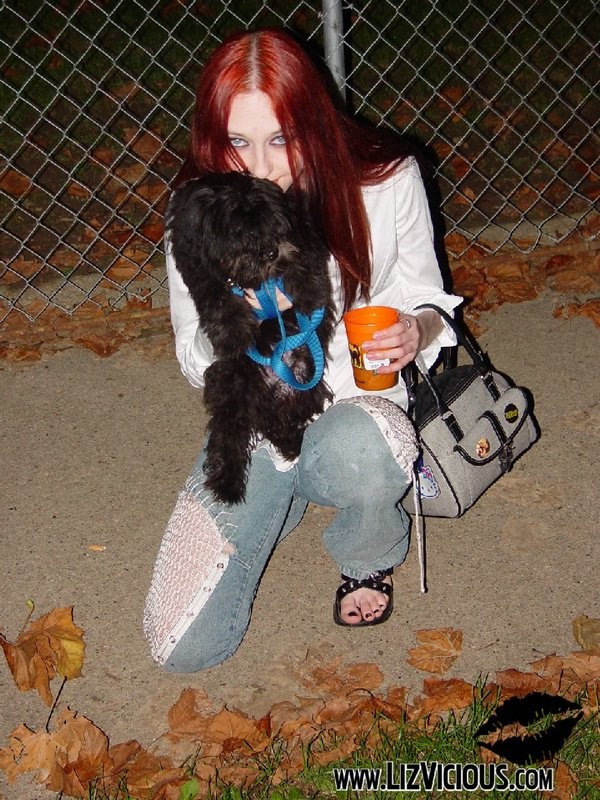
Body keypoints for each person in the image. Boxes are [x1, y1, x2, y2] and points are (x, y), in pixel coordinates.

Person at [143, 27, 462, 672]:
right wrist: (245, 326)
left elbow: (431, 299)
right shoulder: (199, 210)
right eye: (238, 142)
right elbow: (190, 348)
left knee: (362, 454)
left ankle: (366, 553)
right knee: (182, 649)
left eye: (280, 138)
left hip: (357, 405)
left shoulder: (386, 179)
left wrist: (416, 333)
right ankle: (279, 498)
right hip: (260, 425)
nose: (261, 167)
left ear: (311, 125)